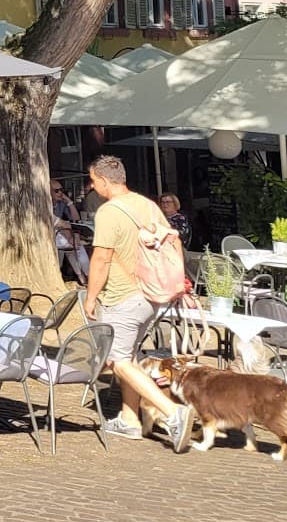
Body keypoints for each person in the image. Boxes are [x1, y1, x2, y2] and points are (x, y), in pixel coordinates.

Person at [83, 155, 194, 449]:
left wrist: (90, 297)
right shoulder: (148, 205)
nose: (92, 187)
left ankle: (173, 413)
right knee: (129, 356)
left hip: (122, 295)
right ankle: (129, 419)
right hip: (152, 294)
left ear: (105, 181)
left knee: (118, 362)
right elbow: (174, 241)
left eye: (93, 181)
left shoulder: (108, 212)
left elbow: (102, 258)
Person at [52, 181, 89, 283]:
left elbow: (75, 219)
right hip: (50, 238)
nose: (60, 193)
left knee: (75, 247)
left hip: (61, 236)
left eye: (61, 190)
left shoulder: (61, 204)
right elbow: (61, 224)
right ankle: (85, 277)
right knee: (77, 246)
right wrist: (73, 237)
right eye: (56, 191)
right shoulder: (44, 206)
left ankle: (84, 277)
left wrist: (69, 201)